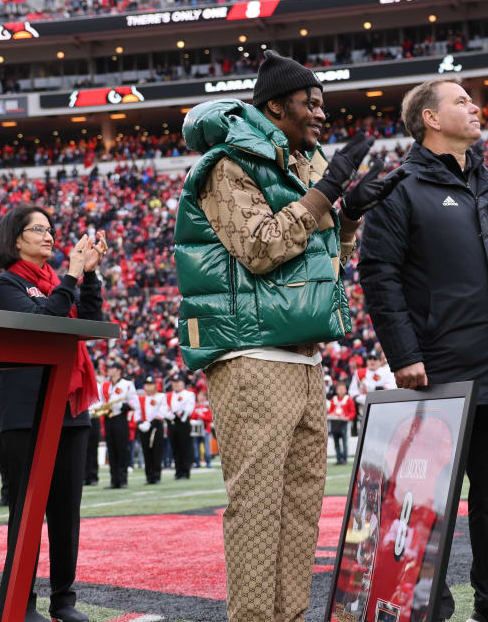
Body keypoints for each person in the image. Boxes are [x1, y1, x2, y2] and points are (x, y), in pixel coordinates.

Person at [174, 50, 404, 622]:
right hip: (251, 356)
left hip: (303, 358)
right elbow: (259, 248)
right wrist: (326, 194)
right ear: (275, 107)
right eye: (310, 103)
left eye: (323, 103)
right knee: (257, 509)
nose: (322, 115)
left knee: (303, 508)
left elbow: (326, 263)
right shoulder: (227, 166)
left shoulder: (298, 168)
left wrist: (348, 216)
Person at [359, 78, 488, 622]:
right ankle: (429, 609)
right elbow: (379, 275)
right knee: (427, 505)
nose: (476, 107)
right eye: (461, 101)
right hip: (440, 374)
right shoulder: (400, 187)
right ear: (429, 119)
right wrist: (404, 354)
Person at [0, 204, 107, 622]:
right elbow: (43, 322)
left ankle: (64, 600)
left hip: (69, 406)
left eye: (51, 228)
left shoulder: (59, 282)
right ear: (15, 239)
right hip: (26, 410)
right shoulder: (5, 284)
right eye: (38, 228)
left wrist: (88, 274)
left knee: (65, 509)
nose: (49, 235)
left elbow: (91, 320)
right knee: (27, 509)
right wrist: (73, 277)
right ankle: (20, 602)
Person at [101, 359, 138, 488]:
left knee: (122, 449)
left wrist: (121, 405)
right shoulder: (106, 385)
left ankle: (122, 480)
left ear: (118, 370)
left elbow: (134, 403)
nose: (109, 370)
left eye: (111, 368)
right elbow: (101, 401)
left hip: (120, 418)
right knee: (111, 450)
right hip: (108, 418)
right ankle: (113, 481)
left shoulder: (127, 384)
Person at [132, 377, 169, 485]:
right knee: (146, 452)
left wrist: (150, 423)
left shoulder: (161, 396)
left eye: (150, 384)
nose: (148, 387)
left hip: (156, 426)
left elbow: (162, 411)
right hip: (144, 427)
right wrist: (139, 423)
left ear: (155, 386)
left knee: (157, 452)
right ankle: (149, 476)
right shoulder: (141, 398)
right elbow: (137, 412)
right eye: (146, 385)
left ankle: (157, 476)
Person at [166, 377, 196, 479]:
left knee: (185, 448)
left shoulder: (188, 394)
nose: (176, 384)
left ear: (183, 383)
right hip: (172, 422)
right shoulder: (169, 395)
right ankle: (178, 471)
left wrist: (182, 413)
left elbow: (189, 408)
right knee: (175, 448)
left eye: (178, 382)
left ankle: (185, 471)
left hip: (183, 423)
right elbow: (165, 408)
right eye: (174, 383)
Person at [327, 382, 356, 464]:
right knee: (336, 442)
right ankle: (338, 459)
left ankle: (344, 459)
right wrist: (332, 414)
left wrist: (348, 417)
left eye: (343, 389)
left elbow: (353, 412)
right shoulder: (333, 400)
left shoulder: (349, 400)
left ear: (346, 390)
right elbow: (330, 411)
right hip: (335, 423)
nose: (341, 390)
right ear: (336, 390)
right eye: (339, 389)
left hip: (344, 423)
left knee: (344, 442)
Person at [191, 390, 215, 468]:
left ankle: (208, 461)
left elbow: (210, 418)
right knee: (195, 446)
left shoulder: (208, 406)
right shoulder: (196, 406)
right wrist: (197, 414)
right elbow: (192, 416)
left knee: (206, 446)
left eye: (200, 396)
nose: (199, 397)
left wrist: (201, 416)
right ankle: (197, 462)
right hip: (196, 430)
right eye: (198, 396)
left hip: (205, 429)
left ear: (205, 397)